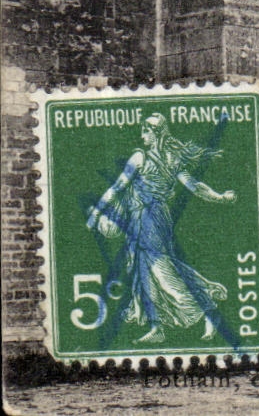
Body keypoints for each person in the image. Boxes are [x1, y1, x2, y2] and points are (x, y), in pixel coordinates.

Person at [86, 114, 235, 344]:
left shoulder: (141, 157)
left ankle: (204, 308)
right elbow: (196, 187)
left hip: (149, 218)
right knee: (145, 271)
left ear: (156, 133)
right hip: (147, 217)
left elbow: (118, 187)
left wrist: (96, 212)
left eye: (145, 131)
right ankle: (158, 326)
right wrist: (220, 197)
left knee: (160, 269)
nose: (142, 136)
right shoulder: (172, 159)